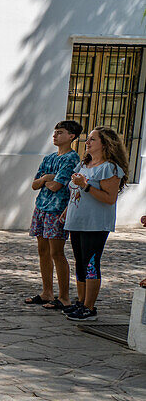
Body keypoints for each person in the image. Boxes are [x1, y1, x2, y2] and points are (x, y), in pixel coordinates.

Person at [61, 127, 129, 322]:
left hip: (95, 224)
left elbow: (110, 199)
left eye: (92, 139)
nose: (87, 142)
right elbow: (76, 192)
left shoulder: (110, 168)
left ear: (105, 144)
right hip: (77, 221)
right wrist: (67, 212)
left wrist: (86, 186)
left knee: (91, 263)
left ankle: (90, 307)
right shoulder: (85, 164)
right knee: (80, 263)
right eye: (88, 139)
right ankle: (81, 302)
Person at [23, 121, 81, 311]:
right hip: (41, 207)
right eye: (55, 132)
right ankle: (47, 291)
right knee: (43, 251)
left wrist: (47, 179)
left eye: (60, 132)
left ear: (71, 136)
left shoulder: (71, 159)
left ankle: (64, 296)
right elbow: (34, 184)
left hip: (57, 210)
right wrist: (48, 178)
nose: (55, 135)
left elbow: (57, 186)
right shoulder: (49, 158)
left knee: (57, 252)